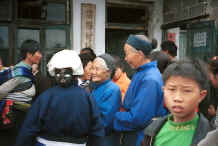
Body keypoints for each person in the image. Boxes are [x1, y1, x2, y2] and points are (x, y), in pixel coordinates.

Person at [15, 50, 104, 146]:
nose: (62, 76)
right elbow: (97, 132)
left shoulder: (46, 97)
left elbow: (28, 130)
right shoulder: (86, 97)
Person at [142, 59, 212, 146]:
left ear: (201, 96)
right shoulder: (152, 130)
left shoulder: (210, 136)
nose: (177, 98)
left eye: (187, 91)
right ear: (164, 90)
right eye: (172, 89)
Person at [113, 34, 167, 146]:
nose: (125, 58)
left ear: (140, 54)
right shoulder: (141, 73)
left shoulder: (150, 79)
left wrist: (113, 117)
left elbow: (138, 119)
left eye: (127, 53)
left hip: (139, 139)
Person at [0, 39, 42, 146]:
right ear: (29, 54)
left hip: (20, 117)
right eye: (38, 52)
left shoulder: (26, 70)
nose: (40, 55)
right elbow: (1, 91)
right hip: (14, 118)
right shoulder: (20, 72)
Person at [91, 53, 121, 146]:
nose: (93, 72)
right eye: (92, 68)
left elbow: (105, 122)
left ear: (108, 72)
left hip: (105, 140)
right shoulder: (95, 87)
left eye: (97, 69)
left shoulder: (112, 90)